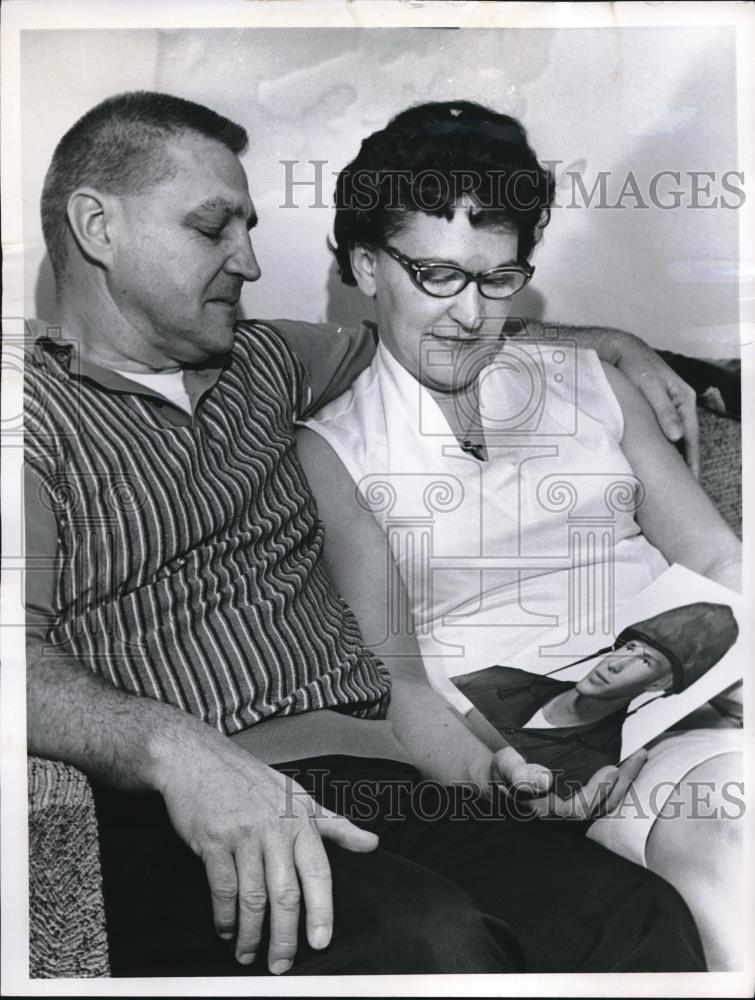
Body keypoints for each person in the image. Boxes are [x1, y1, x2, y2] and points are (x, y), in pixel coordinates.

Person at [25, 91, 709, 978]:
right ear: (95, 225)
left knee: (630, 917)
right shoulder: (25, 417)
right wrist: (173, 749)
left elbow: (442, 322)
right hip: (193, 806)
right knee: (436, 945)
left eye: (251, 227)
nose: (251, 260)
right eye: (213, 228)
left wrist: (618, 341)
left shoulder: (265, 358)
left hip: (387, 772)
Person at [299, 100, 744, 968]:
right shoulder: (333, 450)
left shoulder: (589, 382)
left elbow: (717, 557)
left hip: (708, 692)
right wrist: (495, 781)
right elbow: (400, 689)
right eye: (437, 276)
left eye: (497, 278)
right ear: (364, 264)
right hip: (570, 758)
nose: (470, 314)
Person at [454, 603, 739, 797]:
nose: (615, 664)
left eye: (644, 660)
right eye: (628, 647)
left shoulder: (595, 763)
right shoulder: (501, 681)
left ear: (659, 683)